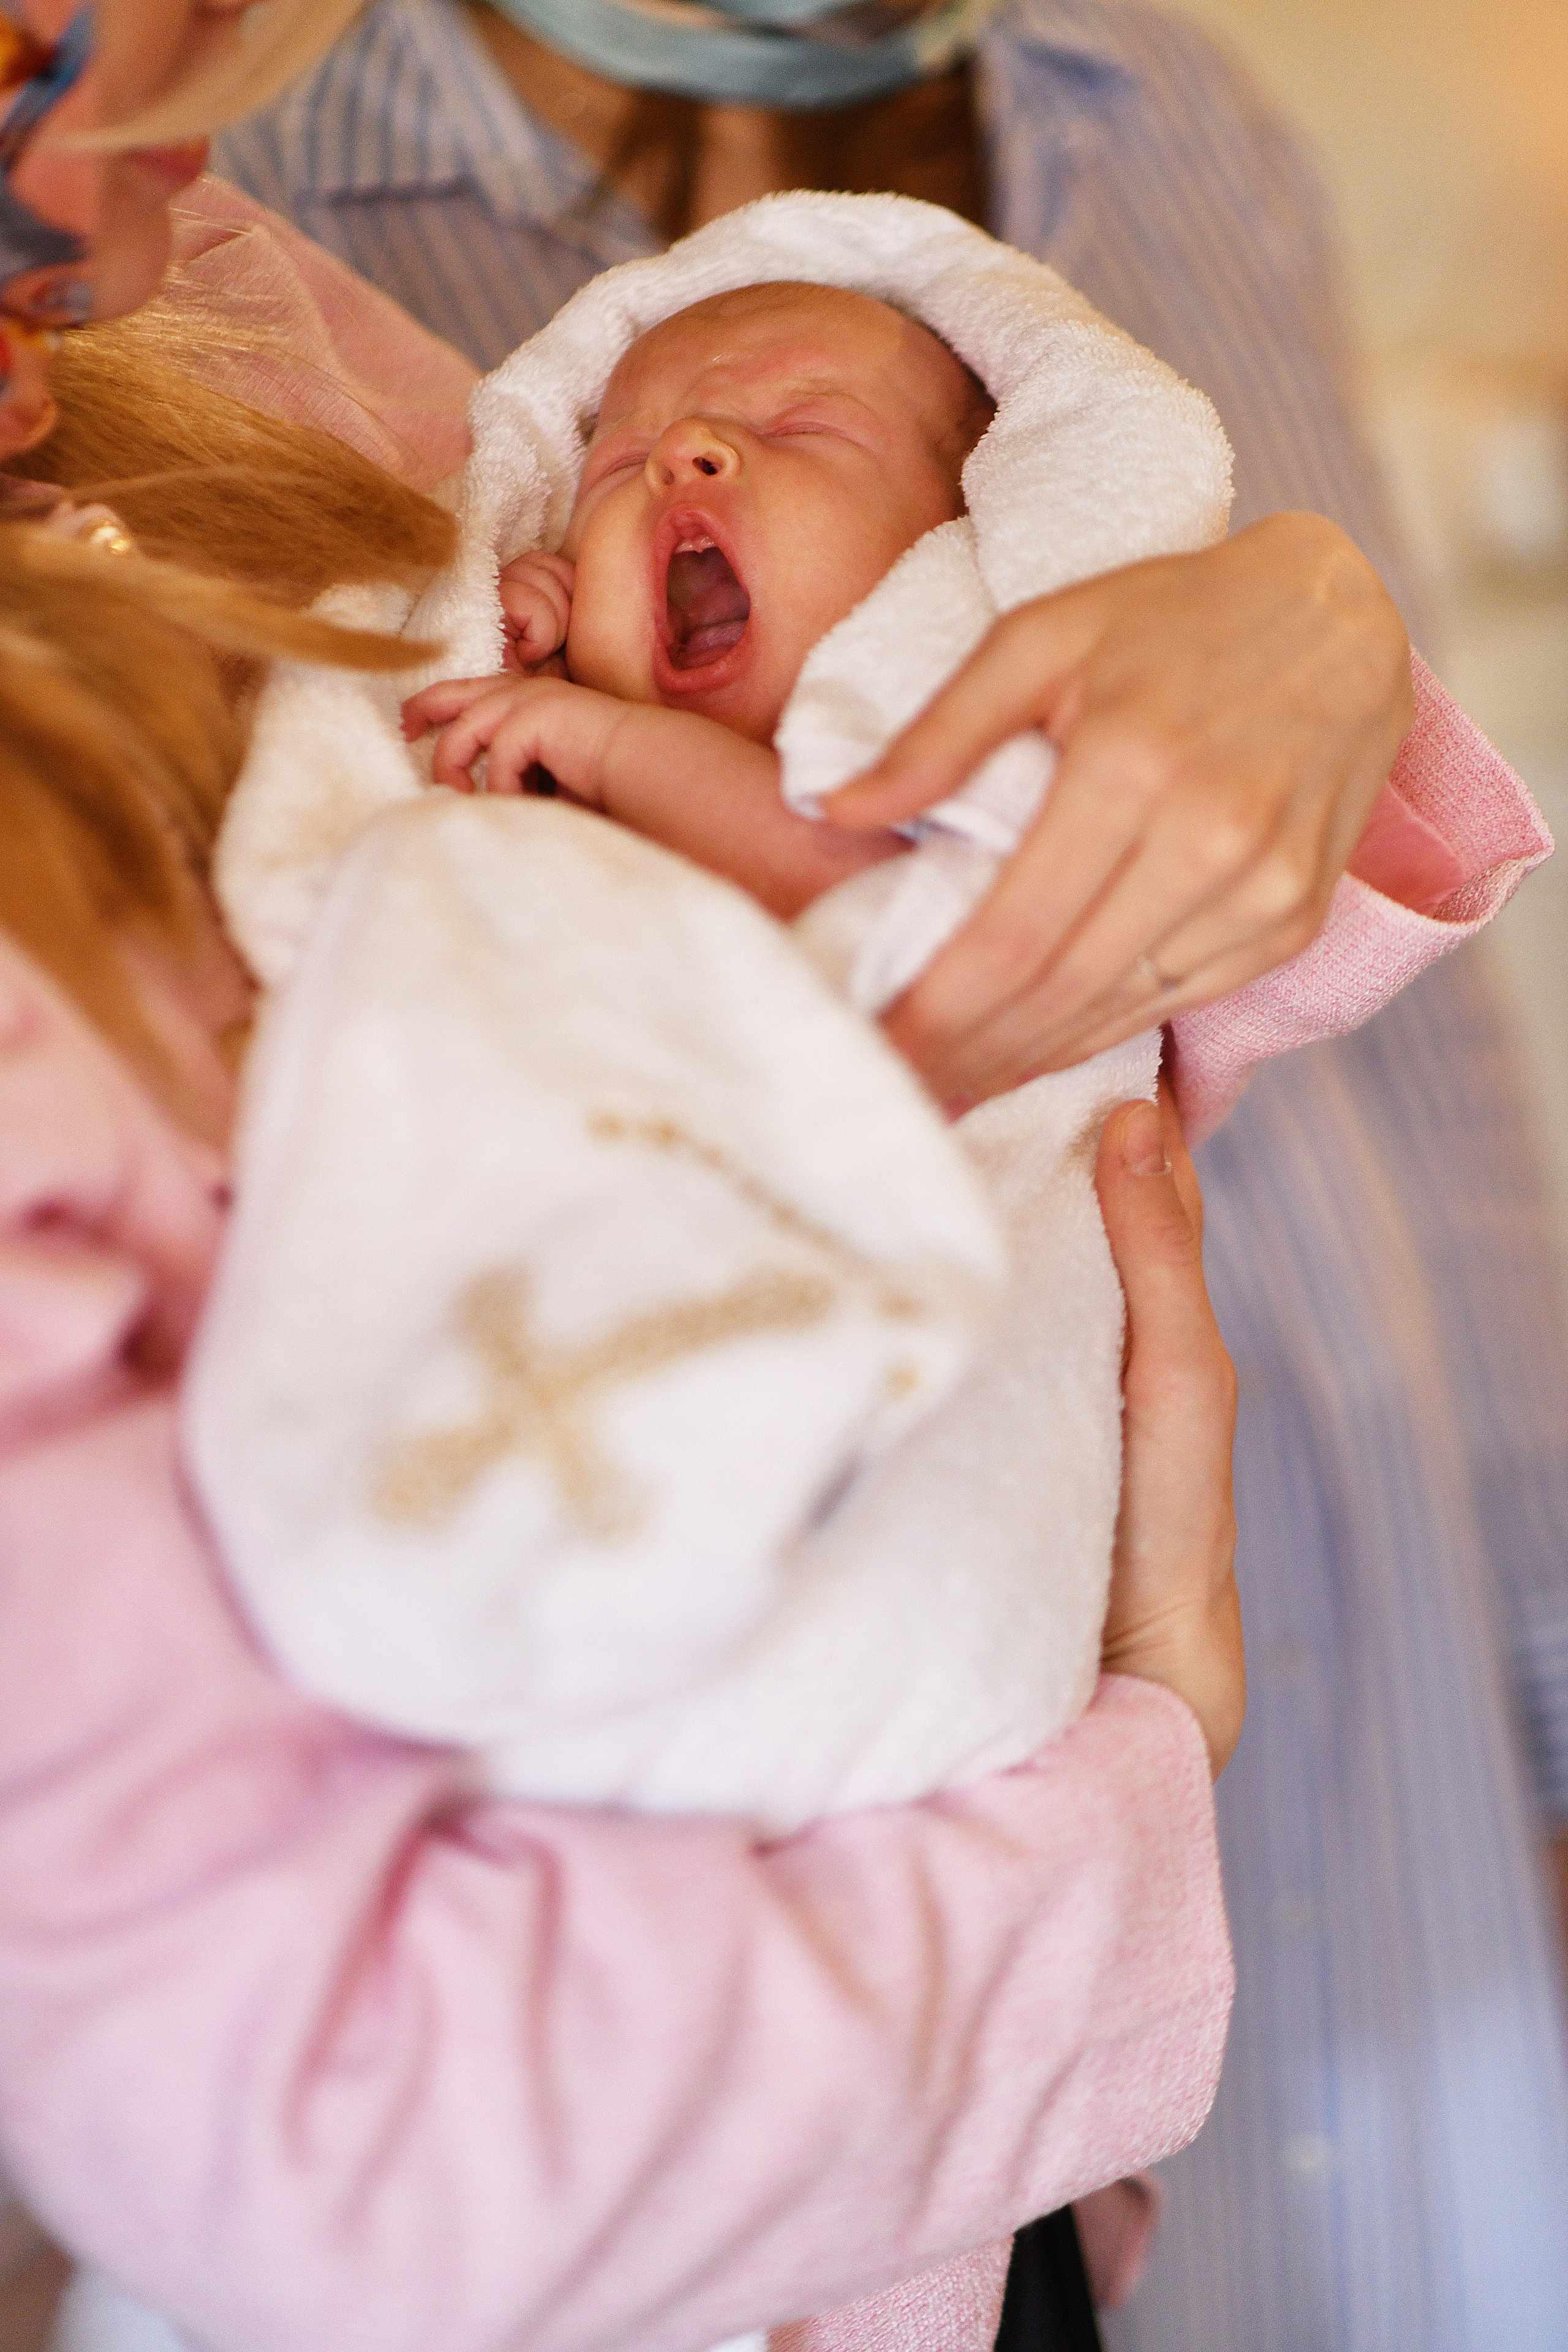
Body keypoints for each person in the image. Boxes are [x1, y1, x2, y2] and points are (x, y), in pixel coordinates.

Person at [205, 1, 1568, 2343]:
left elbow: (1428, 1094)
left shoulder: (1162, 103)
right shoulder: (177, 167)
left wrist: (1541, 1661)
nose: (688, 456)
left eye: (796, 430)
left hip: (1284, 1526)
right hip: (781, 1709)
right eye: (628, 455)